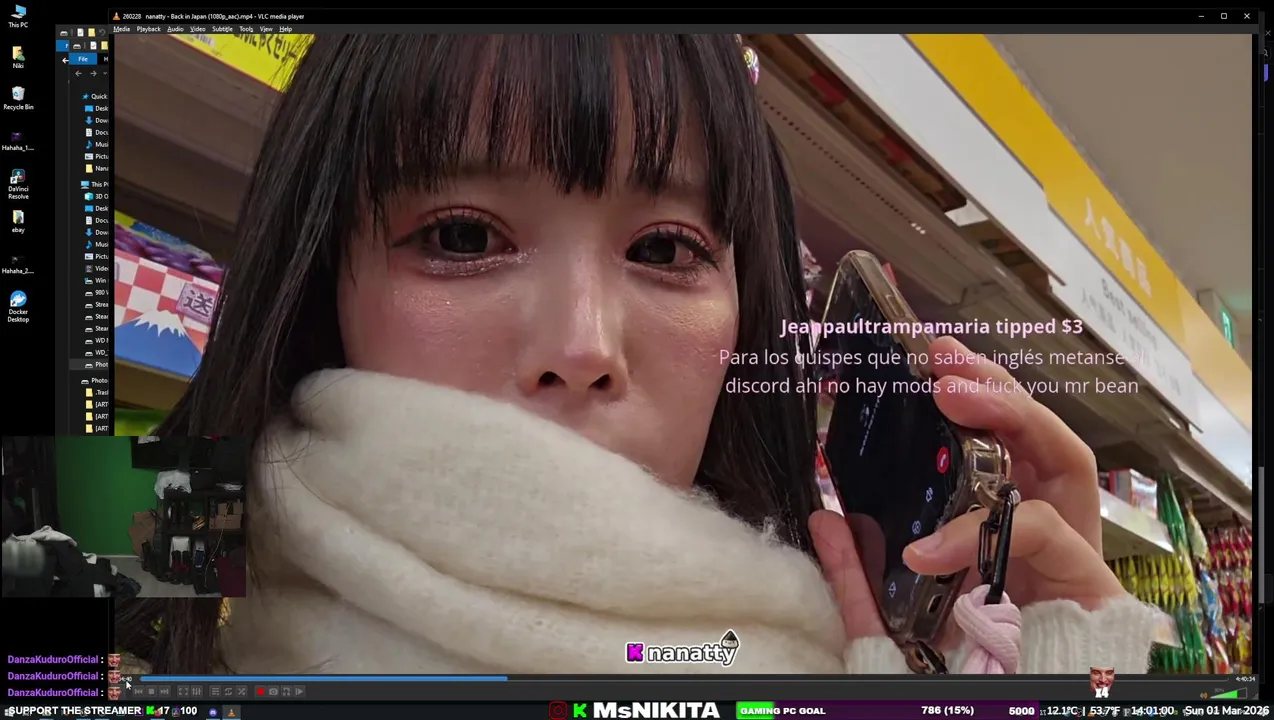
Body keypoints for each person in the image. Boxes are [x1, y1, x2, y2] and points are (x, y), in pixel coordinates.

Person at [117, 34, 1158, 675]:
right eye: (463, 236)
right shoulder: (118, 544)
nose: (582, 345)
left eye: (664, 251)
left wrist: (1075, 675)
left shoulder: (850, 659)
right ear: (317, 273)